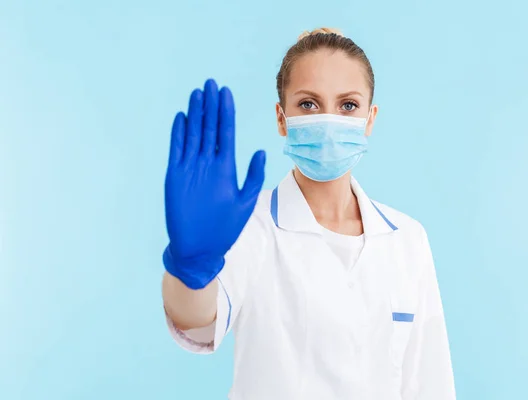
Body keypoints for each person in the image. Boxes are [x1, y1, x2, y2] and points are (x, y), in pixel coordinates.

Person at [161, 27, 456, 400]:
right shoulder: (247, 225)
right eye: (309, 104)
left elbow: (429, 382)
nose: (329, 122)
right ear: (282, 118)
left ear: (370, 118)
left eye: (348, 105)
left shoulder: (407, 239)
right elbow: (196, 321)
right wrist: (190, 266)